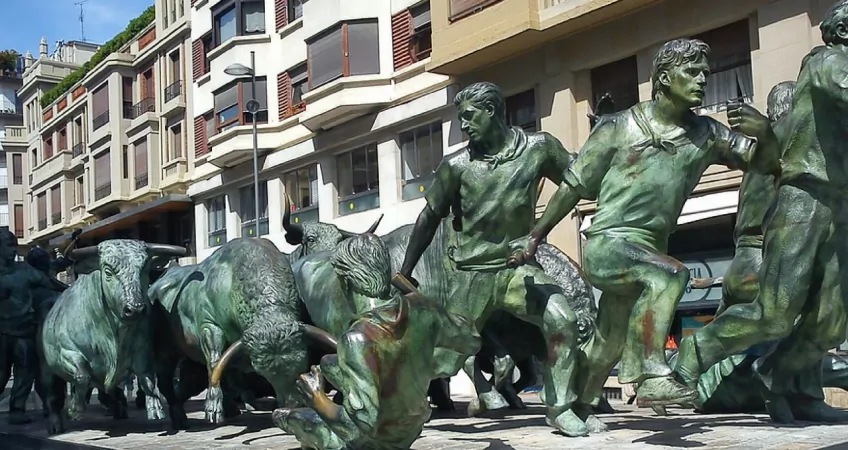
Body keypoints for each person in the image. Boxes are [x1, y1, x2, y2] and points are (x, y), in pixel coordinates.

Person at [512, 38, 780, 429]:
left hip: (648, 251)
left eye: (706, 72)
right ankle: (653, 375)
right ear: (665, 78)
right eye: (693, 72)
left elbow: (765, 163)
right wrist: (535, 236)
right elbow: (572, 186)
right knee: (669, 274)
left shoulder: (707, 133)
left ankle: (574, 404)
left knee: (607, 343)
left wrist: (766, 133)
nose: (703, 79)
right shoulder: (620, 127)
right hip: (608, 244)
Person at [675, 0, 848, 423]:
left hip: (839, 203)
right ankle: (697, 351)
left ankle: (790, 383)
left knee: (832, 318)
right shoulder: (828, 62)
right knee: (776, 312)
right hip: (804, 195)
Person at [398, 81, 588, 436]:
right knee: (444, 357)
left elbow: (577, 183)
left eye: (469, 117)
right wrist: (405, 272)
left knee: (562, 320)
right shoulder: (456, 166)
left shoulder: (539, 148)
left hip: (519, 270)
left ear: (493, 111)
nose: (464, 125)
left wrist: (537, 234)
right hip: (471, 276)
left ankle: (561, 406)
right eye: (460, 119)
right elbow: (428, 218)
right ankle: (400, 406)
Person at [273, 234, 481, 449]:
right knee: (329, 363)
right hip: (412, 426)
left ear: (344, 282)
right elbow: (472, 341)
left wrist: (317, 396)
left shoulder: (358, 338)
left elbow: (359, 427)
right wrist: (426, 304)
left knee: (287, 417)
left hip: (377, 441)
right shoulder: (424, 309)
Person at [0, 231, 65, 424]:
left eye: (14, 245)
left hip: (24, 330)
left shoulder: (25, 270)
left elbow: (46, 280)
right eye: (8, 246)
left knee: (25, 372)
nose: (12, 250)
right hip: (1, 332)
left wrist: (69, 288)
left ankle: (17, 410)